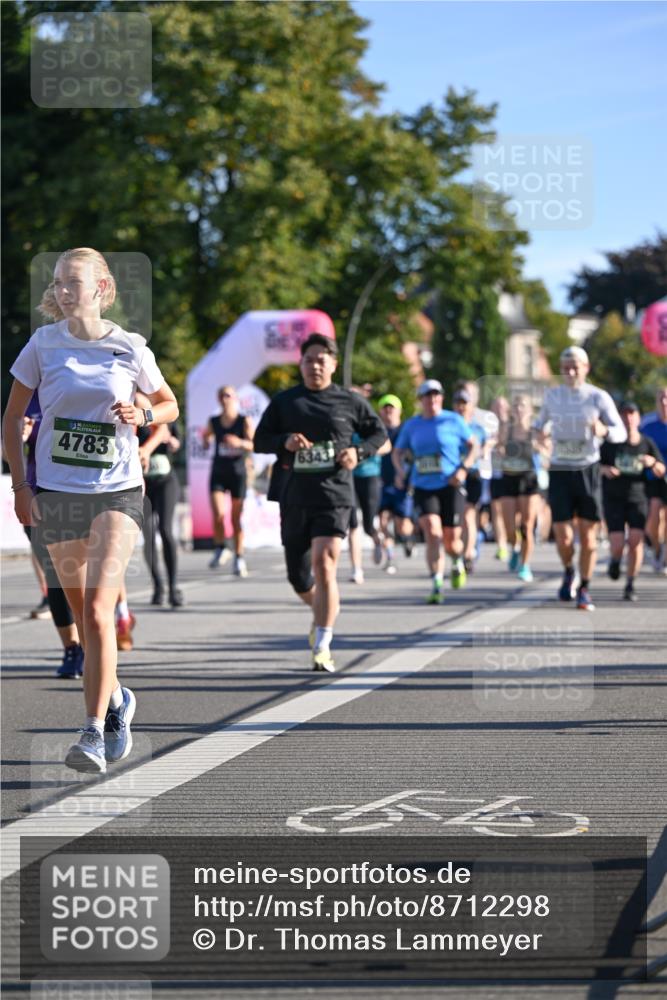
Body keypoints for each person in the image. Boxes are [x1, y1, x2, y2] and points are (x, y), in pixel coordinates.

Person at [2, 247, 178, 774]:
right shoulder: (42, 344)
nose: (62, 291)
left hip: (117, 489)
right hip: (56, 489)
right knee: (81, 614)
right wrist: (19, 484)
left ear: (101, 288)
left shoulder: (129, 346)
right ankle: (119, 697)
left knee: (101, 610)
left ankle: (92, 732)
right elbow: (12, 418)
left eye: (73, 283)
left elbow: (170, 403)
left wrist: (144, 410)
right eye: (57, 283)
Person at [254, 333, 387, 672]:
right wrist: (285, 441)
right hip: (294, 496)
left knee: (324, 561)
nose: (315, 365)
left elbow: (379, 434)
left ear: (333, 364)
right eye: (309, 359)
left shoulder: (349, 401)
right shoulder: (286, 402)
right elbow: (259, 441)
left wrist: (358, 451)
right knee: (299, 578)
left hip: (335, 494)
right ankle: (320, 613)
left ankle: (323, 643)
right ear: (301, 363)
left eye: (322, 359)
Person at [534, 346, 626, 610]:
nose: (571, 372)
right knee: (563, 538)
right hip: (561, 469)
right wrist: (539, 435)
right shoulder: (552, 396)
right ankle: (568, 570)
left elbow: (620, 431)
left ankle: (584, 587)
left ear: (586, 368)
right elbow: (539, 426)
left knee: (587, 537)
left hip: (588, 470)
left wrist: (603, 429)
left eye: (576, 367)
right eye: (565, 368)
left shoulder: (598, 397)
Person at [393, 379, 476, 604]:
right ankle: (437, 582)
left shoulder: (454, 420)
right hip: (423, 485)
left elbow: (473, 445)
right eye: (427, 396)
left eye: (436, 395)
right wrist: (401, 472)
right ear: (420, 400)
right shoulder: (412, 425)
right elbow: (397, 452)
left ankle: (457, 561)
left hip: (450, 485)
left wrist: (464, 468)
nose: (432, 399)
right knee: (432, 531)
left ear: (441, 397)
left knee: (451, 540)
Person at [20, 401, 85, 676]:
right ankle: (72, 648)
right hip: (40, 498)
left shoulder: (76, 390)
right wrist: (20, 437)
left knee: (88, 575)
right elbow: (8, 453)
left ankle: (95, 637)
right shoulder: (25, 399)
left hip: (83, 495)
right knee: (56, 575)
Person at [600, 401, 665, 600]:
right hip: (614, 498)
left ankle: (630, 584)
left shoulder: (646, 443)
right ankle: (615, 559)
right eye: (624, 415)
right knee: (618, 543)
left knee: (636, 541)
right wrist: (605, 470)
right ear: (619, 418)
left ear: (638, 418)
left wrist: (652, 462)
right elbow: (595, 465)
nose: (628, 419)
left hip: (638, 498)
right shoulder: (611, 443)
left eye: (632, 414)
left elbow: (662, 469)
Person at [203, 386, 254, 577]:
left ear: (235, 398)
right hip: (218, 471)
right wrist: (206, 441)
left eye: (229, 395)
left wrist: (239, 443)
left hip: (238, 472)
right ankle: (220, 547)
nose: (225, 399)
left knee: (236, 518)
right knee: (218, 514)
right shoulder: (214, 421)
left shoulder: (244, 421)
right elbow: (206, 435)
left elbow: (254, 444)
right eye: (222, 395)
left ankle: (239, 557)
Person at [138, 410, 184, 607]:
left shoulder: (166, 413)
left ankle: (173, 587)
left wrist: (173, 442)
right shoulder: (133, 413)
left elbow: (176, 442)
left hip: (166, 480)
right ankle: (158, 585)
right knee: (148, 534)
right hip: (143, 482)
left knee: (165, 529)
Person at [497, 394, 545, 583]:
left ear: (530, 410)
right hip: (509, 478)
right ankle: (515, 548)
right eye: (516, 405)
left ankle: (525, 565)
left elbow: (548, 449)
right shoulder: (505, 430)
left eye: (523, 405)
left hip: (529, 480)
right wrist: (498, 450)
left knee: (527, 525)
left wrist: (539, 448)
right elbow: (497, 447)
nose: (519, 409)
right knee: (509, 528)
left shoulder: (535, 431)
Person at [377, 394, 415, 574]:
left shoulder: (405, 431)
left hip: (402, 483)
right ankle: (390, 557)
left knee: (402, 525)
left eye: (392, 407)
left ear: (399, 410)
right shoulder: (377, 432)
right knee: (383, 521)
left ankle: (408, 539)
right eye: (385, 407)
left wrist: (407, 477)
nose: (388, 410)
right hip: (382, 483)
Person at [451, 386, 487, 573]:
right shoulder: (448, 425)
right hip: (452, 474)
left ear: (471, 406)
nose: (461, 407)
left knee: (468, 515)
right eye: (458, 403)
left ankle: (467, 555)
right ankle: (460, 550)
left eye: (464, 403)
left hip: (471, 474)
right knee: (455, 518)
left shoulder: (477, 428)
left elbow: (480, 449)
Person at [642, 386, 667, 574]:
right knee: (653, 515)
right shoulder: (647, 424)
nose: (664, 402)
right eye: (661, 398)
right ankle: (656, 549)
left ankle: (665, 555)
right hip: (652, 477)